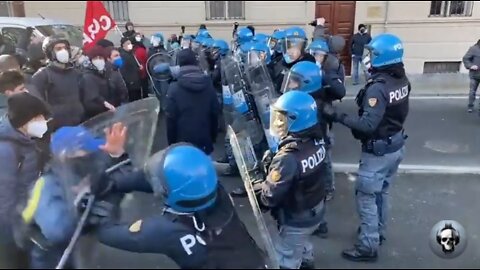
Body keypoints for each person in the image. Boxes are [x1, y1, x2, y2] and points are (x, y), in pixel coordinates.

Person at [79, 142, 267, 269]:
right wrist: (115, 183)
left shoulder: (170, 231)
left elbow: (110, 234)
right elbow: (165, 183)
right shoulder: (214, 192)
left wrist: (98, 213)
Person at [321, 33, 409, 262]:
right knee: (383, 192)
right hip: (396, 145)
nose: (368, 58)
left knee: (367, 197)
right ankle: (378, 232)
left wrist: (337, 116)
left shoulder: (377, 88)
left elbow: (367, 125)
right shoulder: (400, 79)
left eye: (372, 54)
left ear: (383, 57)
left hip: (378, 151)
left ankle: (368, 246)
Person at [19, 123, 130, 268]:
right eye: (84, 151)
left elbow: (122, 182)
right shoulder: (47, 185)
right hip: (53, 258)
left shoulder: (85, 172)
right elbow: (57, 230)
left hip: (78, 251)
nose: (90, 155)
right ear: (65, 156)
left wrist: (118, 156)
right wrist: (86, 213)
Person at [258, 90, 326, 269]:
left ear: (296, 120)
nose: (278, 123)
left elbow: (270, 196)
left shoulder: (288, 157)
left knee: (285, 259)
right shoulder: (316, 140)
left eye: (283, 118)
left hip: (297, 217)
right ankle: (306, 261)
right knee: (302, 243)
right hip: (314, 208)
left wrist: (260, 192)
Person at [0, 92, 50, 268]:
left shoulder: (25, 140)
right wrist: (17, 232)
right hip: (12, 229)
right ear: (23, 121)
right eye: (38, 117)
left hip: (27, 216)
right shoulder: (6, 151)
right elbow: (4, 201)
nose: (43, 121)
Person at [165, 49, 219, 155]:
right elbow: (214, 113)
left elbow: (170, 120)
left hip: (182, 145)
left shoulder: (174, 88)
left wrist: (171, 144)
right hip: (204, 141)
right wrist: (212, 138)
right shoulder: (208, 85)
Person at [31, 34, 85, 132]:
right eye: (58, 48)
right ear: (50, 53)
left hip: (78, 124)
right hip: (56, 129)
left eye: (65, 48)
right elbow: (36, 105)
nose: (63, 51)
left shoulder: (75, 73)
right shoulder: (42, 76)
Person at [81, 45, 116, 118]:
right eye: (95, 58)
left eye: (100, 58)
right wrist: (105, 106)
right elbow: (91, 100)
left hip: (107, 114)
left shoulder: (104, 74)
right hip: (96, 117)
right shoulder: (87, 77)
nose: (98, 60)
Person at [119, 37, 142, 102]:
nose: (130, 45)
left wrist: (138, 67)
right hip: (131, 84)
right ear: (123, 45)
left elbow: (133, 65)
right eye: (128, 43)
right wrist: (129, 81)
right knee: (134, 100)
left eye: (130, 43)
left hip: (136, 81)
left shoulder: (130, 54)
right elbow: (123, 70)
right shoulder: (123, 55)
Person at [462, 39, 480, 113]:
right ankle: (470, 105)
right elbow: (465, 59)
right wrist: (471, 66)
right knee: (472, 91)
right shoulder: (473, 49)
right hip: (474, 75)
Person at [132, 33, 149, 99]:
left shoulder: (133, 51)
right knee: (144, 91)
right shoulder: (142, 50)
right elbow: (146, 60)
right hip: (143, 73)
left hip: (137, 74)